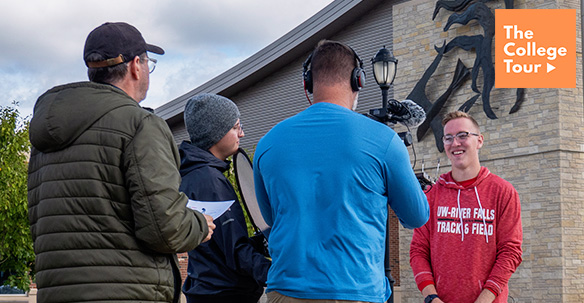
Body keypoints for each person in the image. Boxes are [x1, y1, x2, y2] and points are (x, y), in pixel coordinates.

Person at [27, 22, 215, 303]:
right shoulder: (141, 125)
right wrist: (200, 224)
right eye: (148, 63)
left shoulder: (44, 137)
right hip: (129, 292)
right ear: (136, 66)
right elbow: (164, 228)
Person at [253, 40, 430, 303]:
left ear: (307, 84)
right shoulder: (383, 140)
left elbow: (270, 216)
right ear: (358, 80)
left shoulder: (267, 143)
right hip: (357, 291)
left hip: (285, 290)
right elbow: (417, 216)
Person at [410, 111, 523, 303]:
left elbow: (510, 251)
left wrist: (485, 299)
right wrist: (431, 297)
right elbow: (418, 251)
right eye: (448, 138)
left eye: (463, 135)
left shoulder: (503, 192)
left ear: (479, 141)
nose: (455, 143)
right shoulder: (432, 196)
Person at [179, 93, 271, 303]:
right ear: (216, 132)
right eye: (235, 127)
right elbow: (235, 253)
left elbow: (220, 244)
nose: (242, 133)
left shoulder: (195, 175)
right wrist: (281, 274)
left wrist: (260, 242)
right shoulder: (209, 180)